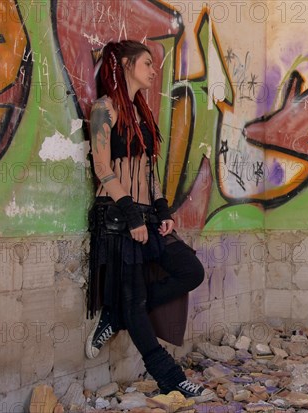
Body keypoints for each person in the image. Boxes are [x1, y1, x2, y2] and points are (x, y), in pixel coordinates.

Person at [84, 40, 214, 402]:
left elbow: (148, 170)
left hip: (145, 214)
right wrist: (130, 215)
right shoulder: (103, 109)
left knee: (190, 271)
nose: (153, 70)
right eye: (147, 63)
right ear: (125, 64)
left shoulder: (141, 113)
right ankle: (171, 379)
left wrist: (163, 212)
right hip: (116, 217)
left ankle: (119, 315)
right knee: (137, 300)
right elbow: (102, 168)